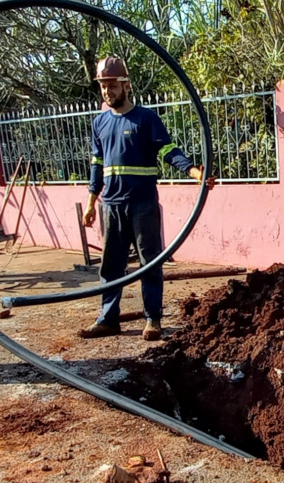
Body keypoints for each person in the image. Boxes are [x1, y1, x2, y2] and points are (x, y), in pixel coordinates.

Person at [80, 56, 214, 342]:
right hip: (111, 206)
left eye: (112, 85)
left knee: (149, 262)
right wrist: (92, 202)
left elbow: (167, 151)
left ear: (126, 85)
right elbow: (96, 164)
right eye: (103, 86)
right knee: (111, 266)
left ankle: (152, 319)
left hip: (142, 205)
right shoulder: (100, 123)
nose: (107, 92)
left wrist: (192, 171)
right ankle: (108, 318)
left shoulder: (146, 119)